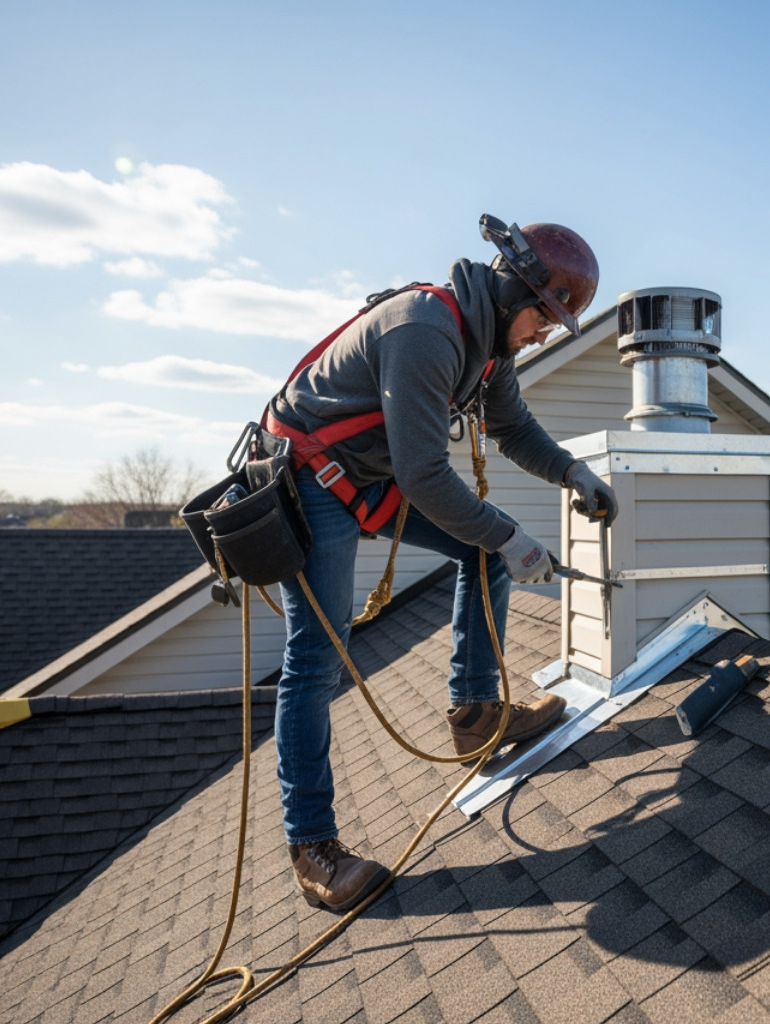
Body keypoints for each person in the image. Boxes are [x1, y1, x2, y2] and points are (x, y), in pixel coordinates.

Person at [260, 216, 617, 911]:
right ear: (516, 289)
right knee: (318, 659)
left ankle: (476, 712)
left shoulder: (488, 344)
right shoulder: (425, 327)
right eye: (543, 318)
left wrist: (571, 471)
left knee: (486, 551)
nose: (544, 333)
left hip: (365, 475)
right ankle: (312, 849)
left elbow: (512, 428)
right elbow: (424, 475)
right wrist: (513, 538)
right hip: (310, 479)